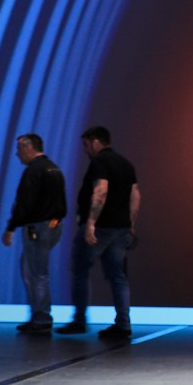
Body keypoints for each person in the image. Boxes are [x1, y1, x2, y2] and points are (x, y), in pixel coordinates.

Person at [56, 126, 139, 340]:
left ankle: (79, 321)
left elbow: (101, 190)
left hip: (100, 227)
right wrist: (130, 224)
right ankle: (123, 323)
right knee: (118, 277)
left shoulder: (99, 162)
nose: (85, 150)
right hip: (120, 228)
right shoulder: (125, 163)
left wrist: (91, 223)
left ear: (95, 142)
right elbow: (135, 195)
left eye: (86, 145)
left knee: (80, 270)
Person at [2, 134, 68, 334]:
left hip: (37, 228)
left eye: (19, 149)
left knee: (36, 273)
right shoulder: (54, 168)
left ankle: (41, 317)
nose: (17, 154)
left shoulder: (33, 171)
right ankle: (40, 315)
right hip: (54, 226)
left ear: (28, 147)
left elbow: (24, 203)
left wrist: (11, 228)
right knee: (34, 270)